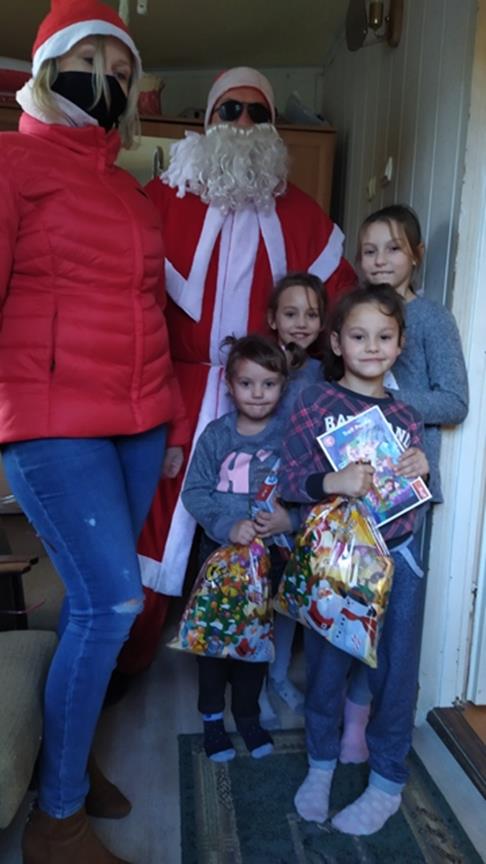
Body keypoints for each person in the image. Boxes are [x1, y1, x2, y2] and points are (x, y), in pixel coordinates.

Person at [0, 1, 187, 861]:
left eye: (120, 74)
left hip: (139, 419)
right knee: (111, 601)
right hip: (53, 420)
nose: (104, 85)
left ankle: (65, 764)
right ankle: (58, 821)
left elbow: (153, 312)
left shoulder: (129, 191)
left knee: (100, 603)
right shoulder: (11, 163)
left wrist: (170, 419)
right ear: (49, 68)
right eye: (89, 66)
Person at [116, 66, 357, 680]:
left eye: (258, 112)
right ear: (208, 120)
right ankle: (129, 655)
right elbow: (125, 305)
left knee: (263, 518)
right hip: (181, 389)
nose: (244, 122)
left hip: (268, 394)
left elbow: (343, 309)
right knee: (159, 524)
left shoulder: (302, 215)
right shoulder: (160, 200)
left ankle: (250, 661)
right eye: (231, 110)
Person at [279, 285, 430, 835]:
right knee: (326, 668)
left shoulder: (407, 415)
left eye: (384, 337)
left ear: (400, 344)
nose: (372, 347)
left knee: (395, 673)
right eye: (359, 336)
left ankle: (387, 782)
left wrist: (422, 468)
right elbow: (289, 481)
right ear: (337, 343)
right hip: (338, 562)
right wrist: (332, 481)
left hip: (398, 557)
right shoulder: (314, 403)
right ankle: (320, 764)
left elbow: (415, 495)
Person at [335, 204, 470, 765]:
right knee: (349, 610)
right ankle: (351, 719)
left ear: (417, 255)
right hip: (352, 494)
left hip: (407, 498)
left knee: (396, 625)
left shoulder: (431, 319)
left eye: (392, 248)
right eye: (369, 250)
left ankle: (385, 740)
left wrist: (387, 398)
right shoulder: (353, 313)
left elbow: (454, 401)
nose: (380, 260)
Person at [181, 334, 298, 762]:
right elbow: (194, 492)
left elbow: (302, 492)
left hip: (266, 564)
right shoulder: (217, 435)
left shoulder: (288, 437)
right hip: (218, 560)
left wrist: (286, 520)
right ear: (230, 385)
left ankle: (247, 716)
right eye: (247, 383)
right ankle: (212, 720)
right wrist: (226, 526)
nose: (258, 393)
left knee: (255, 642)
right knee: (214, 644)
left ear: (282, 386)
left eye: (269, 384)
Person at [263, 272, 326, 718]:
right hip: (259, 494)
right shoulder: (258, 364)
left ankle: (279, 675)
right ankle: (250, 686)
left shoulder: (324, 374)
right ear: (273, 319)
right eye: (290, 314)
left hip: (300, 497)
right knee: (256, 594)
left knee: (287, 596)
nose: (301, 323)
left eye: (311, 314)